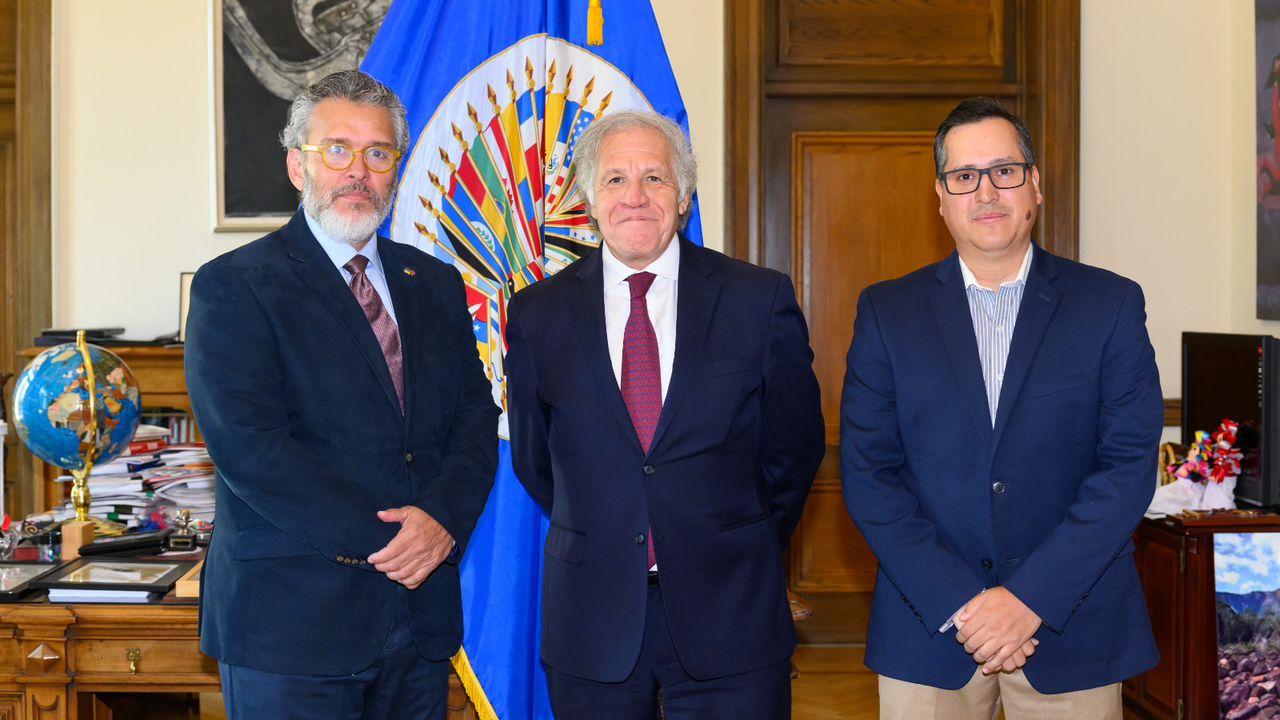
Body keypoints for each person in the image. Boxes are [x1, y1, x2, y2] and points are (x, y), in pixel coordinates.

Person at [185, 69, 499, 719]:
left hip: (417, 627)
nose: (358, 170)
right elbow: (253, 452)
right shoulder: (235, 287)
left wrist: (441, 523)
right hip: (290, 629)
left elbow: (475, 419)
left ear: (396, 170)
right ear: (298, 166)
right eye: (337, 149)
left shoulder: (433, 285)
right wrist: (399, 543)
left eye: (378, 154)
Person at [840, 97, 1163, 720]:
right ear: (941, 197)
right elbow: (870, 474)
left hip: (1071, 628)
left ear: (1034, 184)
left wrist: (1029, 599)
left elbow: (1125, 470)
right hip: (929, 630)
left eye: (1004, 171)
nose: (986, 192)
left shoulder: (1110, 305)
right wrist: (965, 605)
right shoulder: (887, 313)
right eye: (965, 177)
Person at [505, 110, 824, 718]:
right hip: (592, 618)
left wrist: (734, 535)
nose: (635, 197)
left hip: (732, 610)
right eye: (615, 180)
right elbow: (535, 458)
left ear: (683, 197)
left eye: (654, 178)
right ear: (588, 200)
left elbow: (793, 450)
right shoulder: (536, 314)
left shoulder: (758, 299)